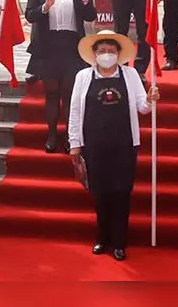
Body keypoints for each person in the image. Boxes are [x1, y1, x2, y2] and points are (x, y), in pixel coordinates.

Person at [68, 30, 160, 262]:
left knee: (121, 192)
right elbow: (75, 111)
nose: (106, 55)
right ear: (94, 54)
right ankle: (102, 238)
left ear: (119, 54)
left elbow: (142, 107)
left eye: (111, 51)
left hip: (124, 144)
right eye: (102, 51)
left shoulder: (130, 75)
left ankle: (119, 242)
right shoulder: (82, 77)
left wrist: (150, 100)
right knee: (100, 193)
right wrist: (74, 143)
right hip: (94, 144)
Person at [25, 0, 96, 153]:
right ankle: (52, 135)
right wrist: (45, 7)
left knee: (68, 93)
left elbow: (90, 16)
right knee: (51, 93)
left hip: (71, 46)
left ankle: (69, 136)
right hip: (48, 47)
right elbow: (30, 15)